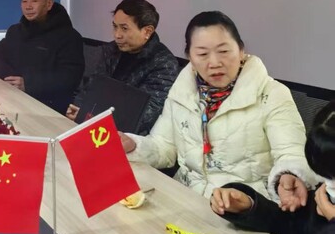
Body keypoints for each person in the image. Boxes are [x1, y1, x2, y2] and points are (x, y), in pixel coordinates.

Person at [120, 11, 316, 204]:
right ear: (190, 57)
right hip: (187, 199)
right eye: (202, 54)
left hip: (245, 207)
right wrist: (134, 145)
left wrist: (289, 175)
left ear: (241, 50)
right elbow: (164, 147)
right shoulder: (182, 92)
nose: (214, 63)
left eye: (223, 51)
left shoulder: (271, 94)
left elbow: (292, 152)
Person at [210, 102, 335, 234]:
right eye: (326, 175)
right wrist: (249, 206)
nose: (330, 185)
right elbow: (289, 230)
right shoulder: (323, 193)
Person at [66, 0, 179, 135]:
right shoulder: (111, 50)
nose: (117, 35)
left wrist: (90, 116)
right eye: (115, 27)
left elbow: (144, 115)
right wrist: (79, 109)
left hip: (133, 138)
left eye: (124, 28)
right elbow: (92, 87)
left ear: (147, 31)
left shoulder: (164, 64)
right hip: (95, 126)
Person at [0, 0, 85, 113]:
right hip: (14, 98)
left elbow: (69, 77)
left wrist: (28, 84)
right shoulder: (15, 31)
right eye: (24, 1)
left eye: (34, 0)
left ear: (48, 4)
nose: (28, 6)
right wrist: (12, 79)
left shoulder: (69, 36)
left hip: (48, 106)